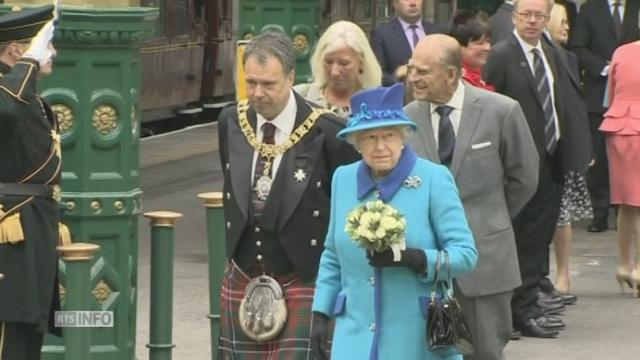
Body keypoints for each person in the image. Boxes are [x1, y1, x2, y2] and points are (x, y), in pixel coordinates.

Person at [216, 31, 359, 359]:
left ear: (292, 78)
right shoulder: (230, 122)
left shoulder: (329, 133)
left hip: (303, 275)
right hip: (242, 272)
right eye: (250, 82)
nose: (257, 93)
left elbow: (347, 212)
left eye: (269, 84)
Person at [310, 82, 478, 359]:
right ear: (357, 143)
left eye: (388, 135)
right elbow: (332, 255)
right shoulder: (344, 179)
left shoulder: (433, 179)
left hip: (418, 339)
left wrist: (417, 259)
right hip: (355, 337)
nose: (380, 146)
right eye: (369, 137)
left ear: (403, 136)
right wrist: (320, 312)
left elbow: (466, 254)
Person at [405, 34, 539, 360]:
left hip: (486, 261)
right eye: (411, 70)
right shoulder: (407, 117)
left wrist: (491, 218)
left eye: (422, 71)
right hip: (425, 264)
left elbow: (525, 177)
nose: (413, 78)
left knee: (485, 353)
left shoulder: (502, 111)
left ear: (451, 74)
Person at [483, 0, 590, 338]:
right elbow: (488, 105)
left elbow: (561, 103)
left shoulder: (550, 51)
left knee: (540, 235)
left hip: (551, 156)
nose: (532, 21)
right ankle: (517, 311)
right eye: (525, 15)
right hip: (518, 162)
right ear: (514, 17)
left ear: (548, 19)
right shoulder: (501, 55)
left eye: (538, 16)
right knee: (521, 235)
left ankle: (530, 301)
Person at [0, 4, 63, 360]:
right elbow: (5, 110)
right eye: (45, 46)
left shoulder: (27, 97)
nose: (51, 54)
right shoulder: (7, 95)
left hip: (32, 236)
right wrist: (31, 62)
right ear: (17, 51)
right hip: (9, 246)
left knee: (26, 343)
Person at [570, 0, 640, 232]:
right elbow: (578, 47)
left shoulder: (636, 7)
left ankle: (627, 210)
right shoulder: (590, 9)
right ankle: (600, 213)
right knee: (599, 158)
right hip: (598, 94)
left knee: (632, 162)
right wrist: (605, 68)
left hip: (632, 96)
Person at [546, 1, 593, 297]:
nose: (567, 27)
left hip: (565, 146)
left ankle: (563, 274)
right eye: (561, 21)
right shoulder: (543, 57)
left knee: (563, 216)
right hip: (543, 147)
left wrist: (584, 147)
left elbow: (577, 107)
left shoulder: (569, 58)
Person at [599, 41, 640, 297]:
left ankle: (624, 265)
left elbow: (611, 95)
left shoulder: (621, 51)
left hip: (618, 127)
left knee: (626, 201)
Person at [294, 21, 381, 118]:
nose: (334, 72)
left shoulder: (379, 106)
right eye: (328, 62)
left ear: (361, 63)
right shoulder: (299, 97)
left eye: (344, 64)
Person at [371, 0, 442, 86]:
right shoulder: (382, 34)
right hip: (400, 95)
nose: (413, 3)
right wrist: (397, 75)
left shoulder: (437, 31)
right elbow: (376, 76)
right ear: (395, 3)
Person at [449, 10, 495, 91]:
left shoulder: (486, 72)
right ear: (460, 47)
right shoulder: (456, 81)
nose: (487, 48)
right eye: (480, 43)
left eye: (487, 41)